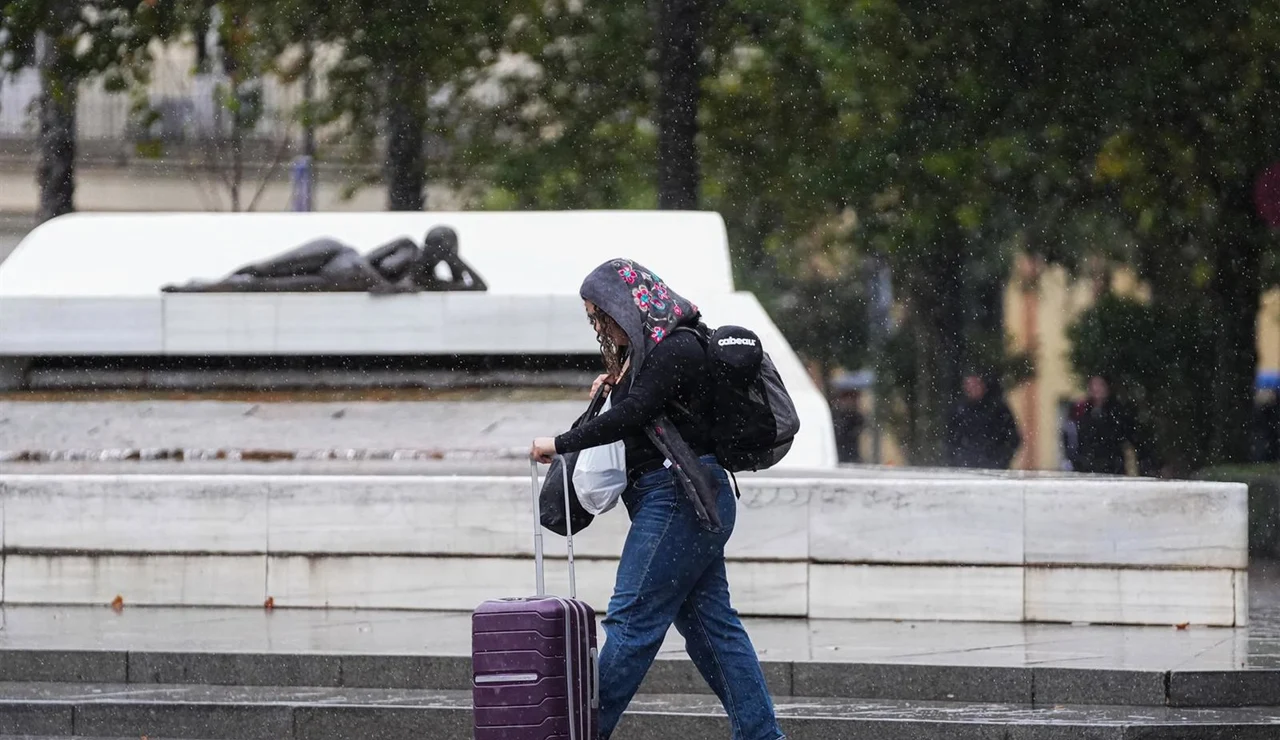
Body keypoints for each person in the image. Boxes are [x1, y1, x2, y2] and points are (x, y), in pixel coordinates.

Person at [530, 258, 785, 740]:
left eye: (603, 316)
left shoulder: (678, 347)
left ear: (629, 306)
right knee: (714, 632)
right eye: (594, 320)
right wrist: (615, 386)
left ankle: (581, 733)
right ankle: (761, 735)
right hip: (689, 499)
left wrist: (560, 442)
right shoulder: (658, 354)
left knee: (631, 621)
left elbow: (637, 414)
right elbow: (647, 410)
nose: (601, 327)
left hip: (678, 499)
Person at [1068, 375, 1147, 475]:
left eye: (1100, 385)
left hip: (1112, 467)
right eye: (1093, 385)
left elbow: (1129, 437)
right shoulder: (1085, 411)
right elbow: (1078, 440)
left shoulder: (1117, 412)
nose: (1096, 389)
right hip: (1088, 468)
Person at [945, 372, 1021, 469]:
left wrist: (1001, 460)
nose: (973, 389)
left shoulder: (998, 409)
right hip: (965, 467)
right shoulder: (958, 411)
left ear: (983, 385)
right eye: (969, 385)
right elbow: (950, 439)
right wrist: (956, 460)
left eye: (976, 385)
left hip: (993, 468)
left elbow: (1013, 438)